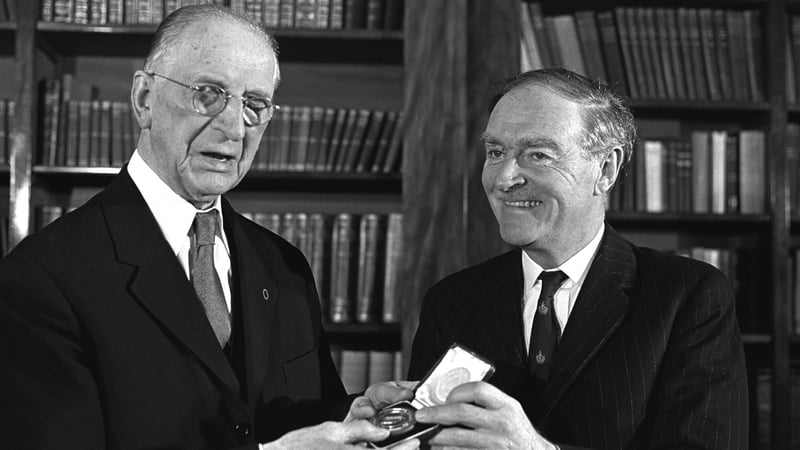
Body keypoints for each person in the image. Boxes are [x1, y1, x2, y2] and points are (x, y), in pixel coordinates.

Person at [0, 5, 412, 450]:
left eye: (254, 105)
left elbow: (295, 414)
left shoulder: (285, 265)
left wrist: (349, 416)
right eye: (208, 93)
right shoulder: (41, 278)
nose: (234, 127)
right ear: (144, 100)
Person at [407, 68, 748, 449]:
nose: (504, 178)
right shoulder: (450, 300)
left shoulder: (687, 297)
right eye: (496, 152)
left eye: (537, 154)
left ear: (606, 169)